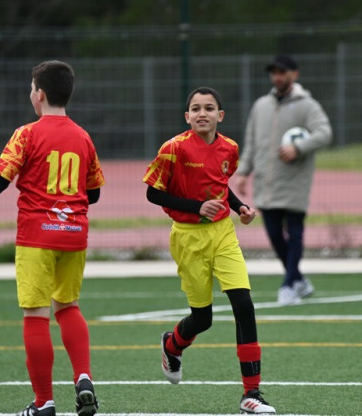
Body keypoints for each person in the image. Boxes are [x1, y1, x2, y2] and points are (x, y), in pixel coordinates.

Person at [0, 60, 104, 416]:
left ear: (39, 95)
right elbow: (94, 193)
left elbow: (1, 178)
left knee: (36, 316)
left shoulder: (27, 134)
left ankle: (43, 402)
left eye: (31, 88)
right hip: (74, 234)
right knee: (68, 306)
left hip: (37, 236)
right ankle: (83, 377)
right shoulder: (83, 136)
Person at [143, 87, 276, 414]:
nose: (202, 113)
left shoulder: (230, 147)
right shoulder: (173, 148)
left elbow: (220, 186)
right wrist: (196, 207)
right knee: (203, 319)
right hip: (187, 237)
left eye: (209, 108)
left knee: (243, 304)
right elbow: (153, 194)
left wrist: (239, 207)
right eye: (196, 108)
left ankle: (252, 394)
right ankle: (172, 344)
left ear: (221, 115)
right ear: (187, 116)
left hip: (222, 234)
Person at [236, 54, 332, 306]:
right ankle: (299, 279)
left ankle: (289, 285)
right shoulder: (261, 106)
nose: (277, 77)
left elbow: (324, 133)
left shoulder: (307, 105)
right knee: (274, 235)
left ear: (294, 74)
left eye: (282, 72)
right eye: (274, 72)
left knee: (295, 234)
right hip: (266, 184)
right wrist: (243, 172)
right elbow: (251, 141)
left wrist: (298, 147)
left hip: (294, 182)